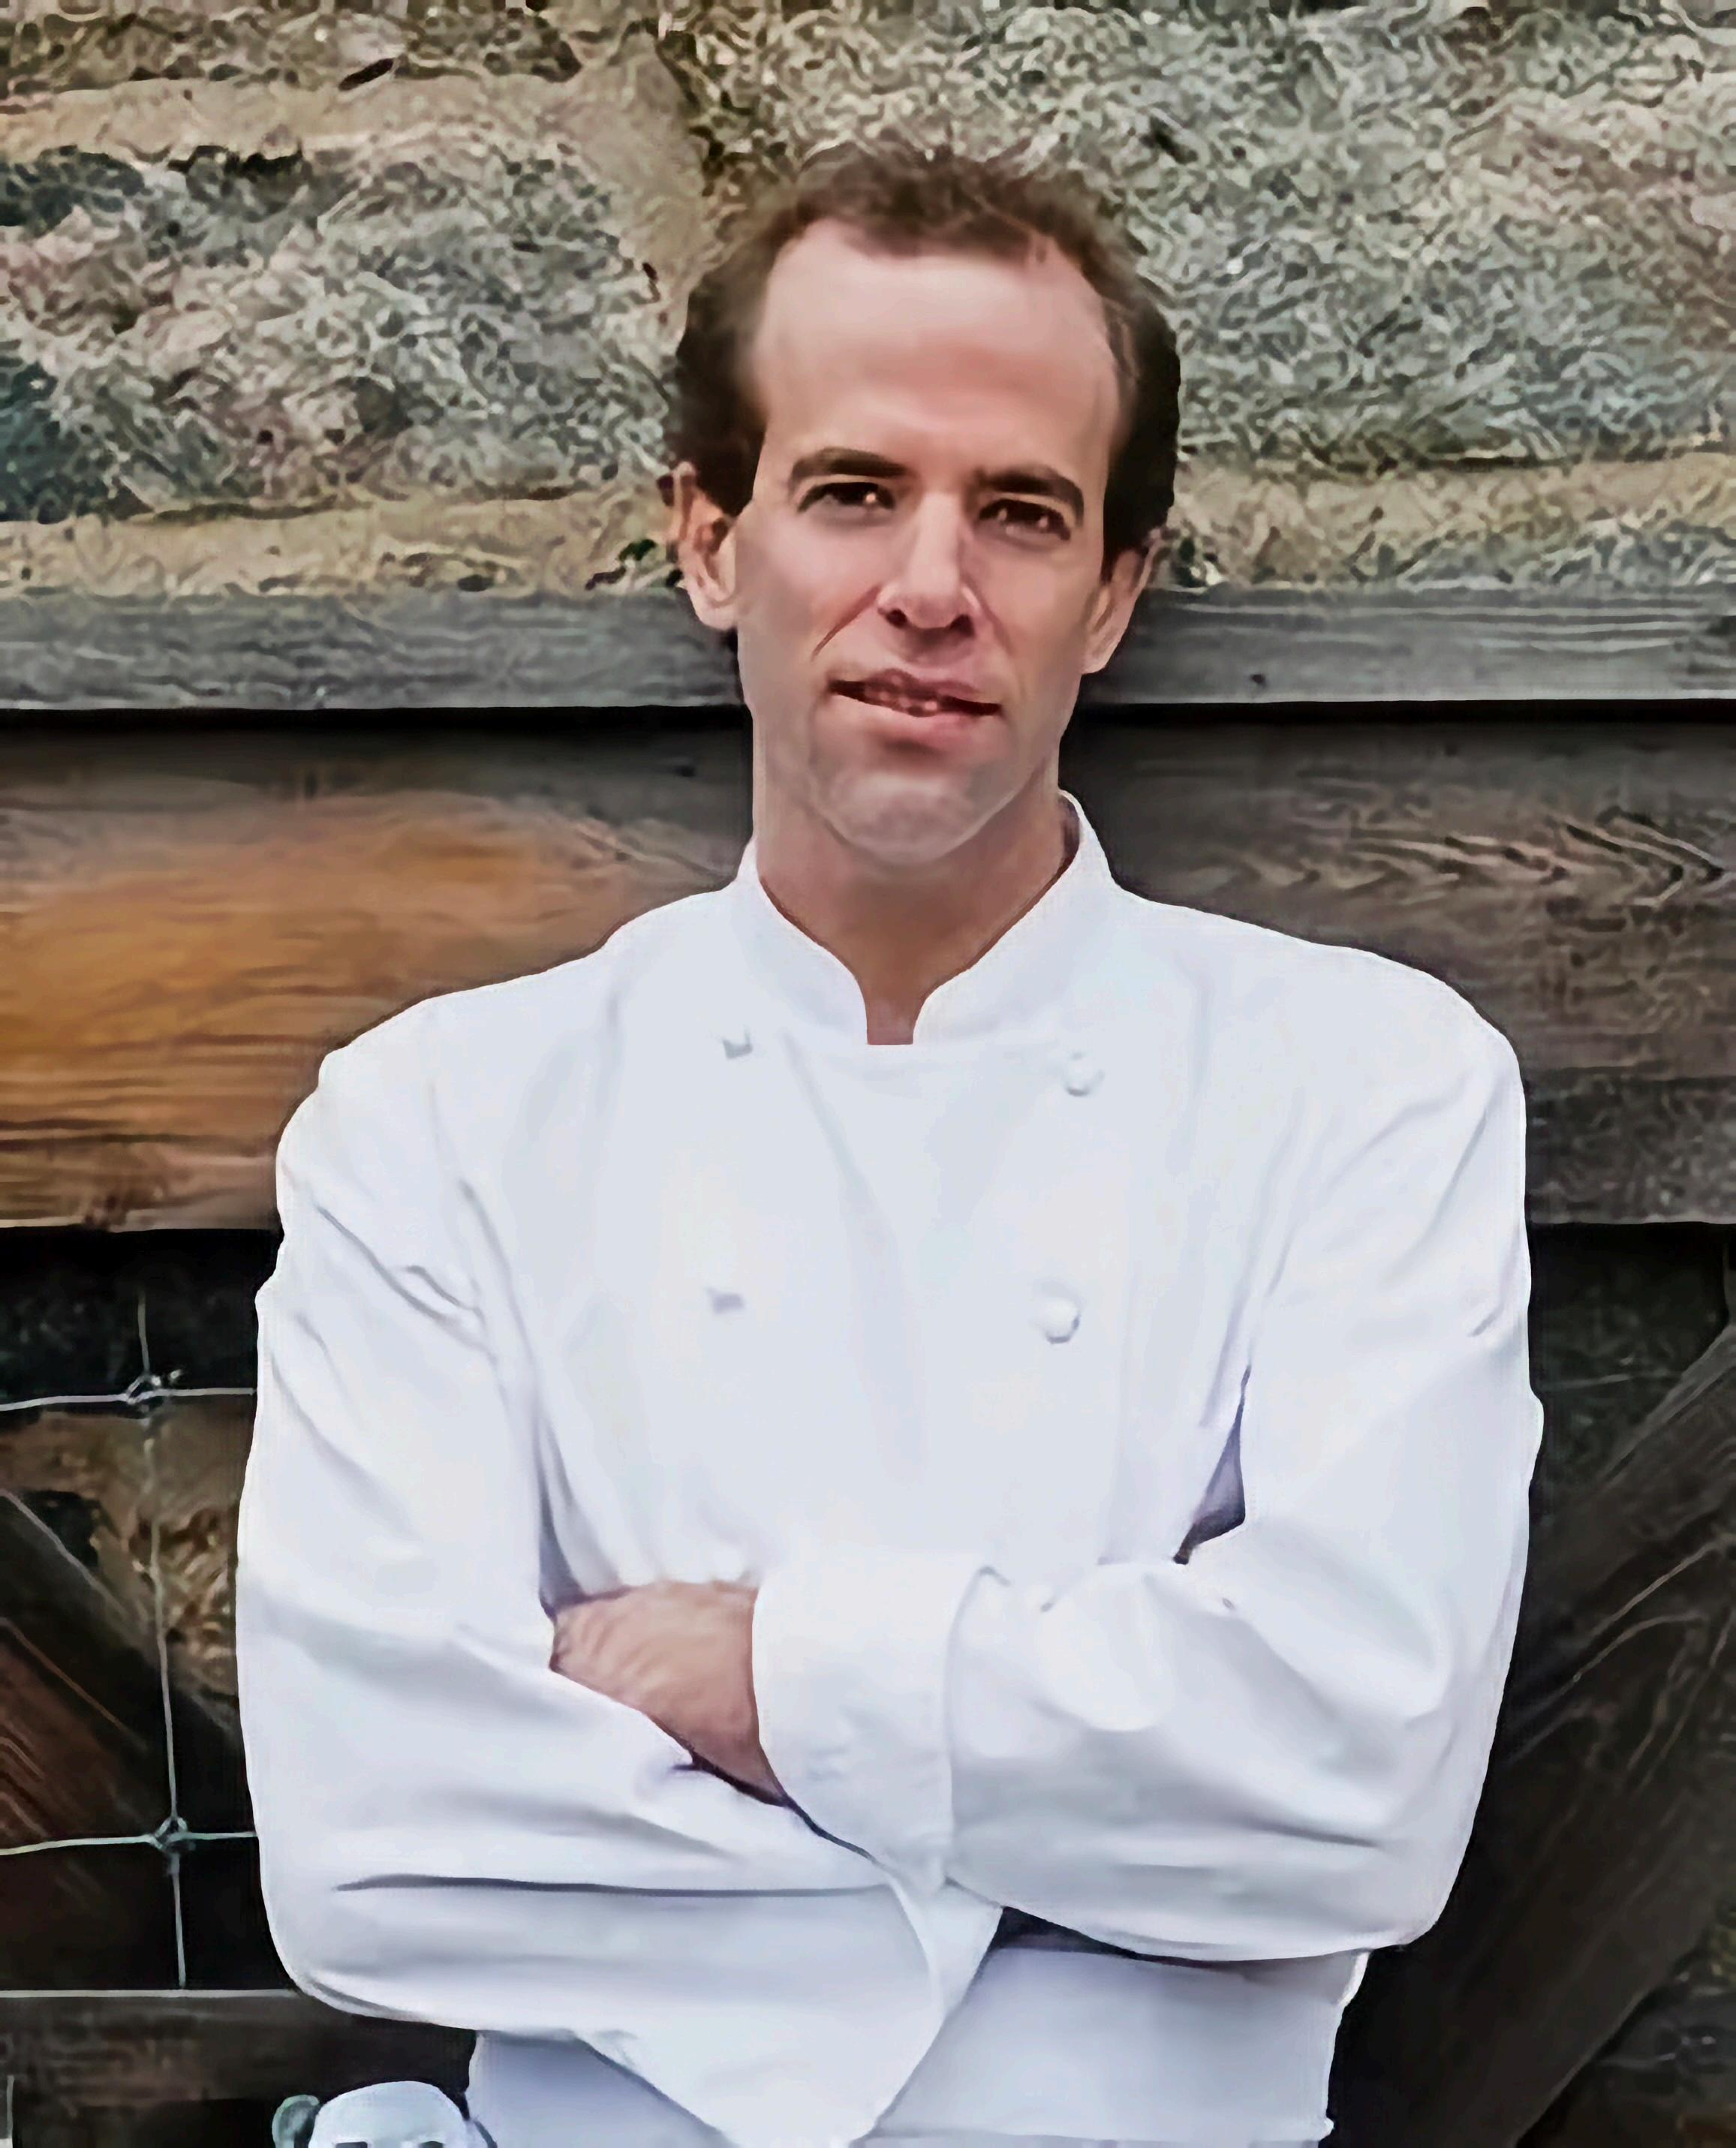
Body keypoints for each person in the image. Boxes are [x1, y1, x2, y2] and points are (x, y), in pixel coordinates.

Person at [236, 135, 1545, 2148]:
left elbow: (1356, 1782)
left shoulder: (1370, 1088)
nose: (930, 589)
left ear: (1112, 595)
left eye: (1019, 512)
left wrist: (763, 1680)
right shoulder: (438, 1125)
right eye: (853, 492)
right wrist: (1072, 1865)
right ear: (709, 543)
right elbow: (373, 1841)